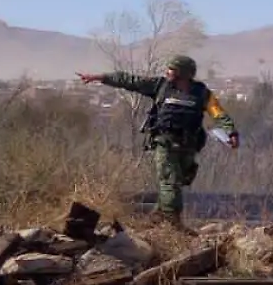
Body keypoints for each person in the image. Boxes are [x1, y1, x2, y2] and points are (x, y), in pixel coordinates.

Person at [77, 54, 239, 228]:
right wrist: (99, 77)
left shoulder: (202, 93)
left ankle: (158, 217)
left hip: (188, 146)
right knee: (170, 181)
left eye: (172, 69)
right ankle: (172, 223)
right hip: (164, 143)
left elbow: (218, 113)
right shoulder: (159, 86)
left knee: (178, 182)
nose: (167, 72)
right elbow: (129, 80)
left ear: (182, 73)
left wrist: (230, 132)